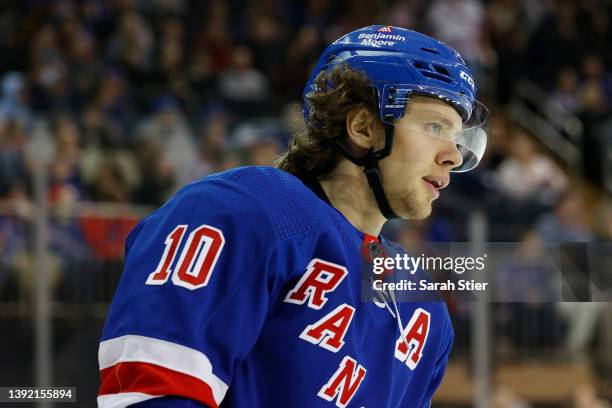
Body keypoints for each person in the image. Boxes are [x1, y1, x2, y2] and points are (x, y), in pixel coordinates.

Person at [97, 25, 488, 407]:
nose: (452, 155)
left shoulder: (427, 311)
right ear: (364, 126)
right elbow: (155, 388)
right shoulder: (242, 210)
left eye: (457, 138)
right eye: (434, 126)